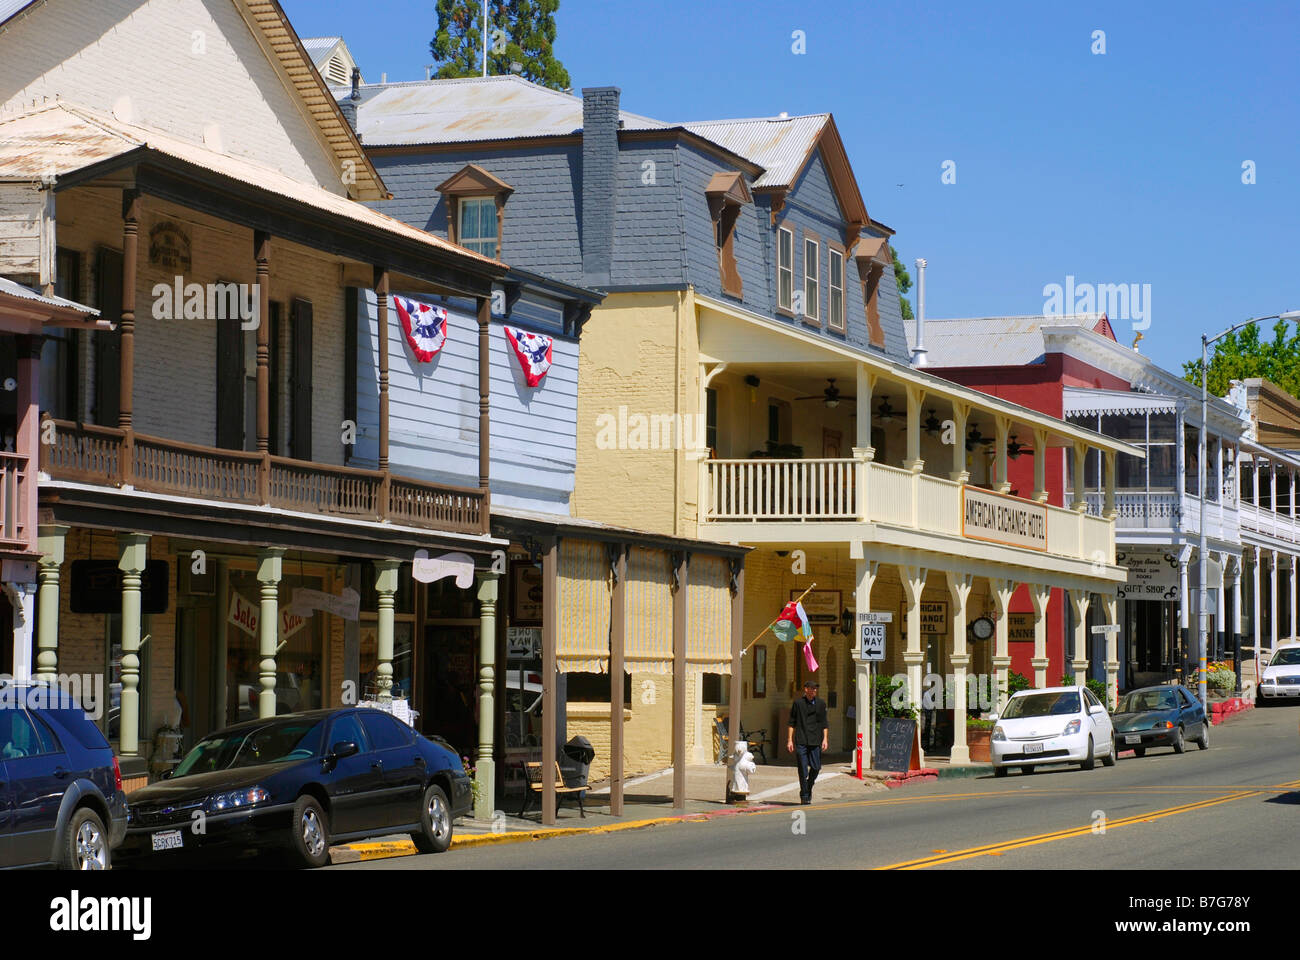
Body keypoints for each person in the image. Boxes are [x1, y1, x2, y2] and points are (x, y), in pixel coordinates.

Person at [787, 679, 829, 805]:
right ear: (806, 689)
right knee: (803, 769)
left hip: (815, 740)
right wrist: (789, 740)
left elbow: (824, 723)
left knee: (816, 767)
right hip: (801, 740)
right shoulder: (798, 704)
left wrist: (825, 739)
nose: (814, 691)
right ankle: (804, 795)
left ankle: (808, 787)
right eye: (811, 688)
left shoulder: (821, 704)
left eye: (815, 688)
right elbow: (791, 723)